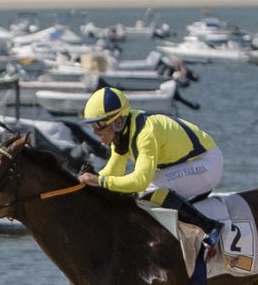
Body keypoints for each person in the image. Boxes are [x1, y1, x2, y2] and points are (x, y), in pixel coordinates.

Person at [76, 87, 224, 257]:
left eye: (98, 125)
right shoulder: (123, 133)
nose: (95, 132)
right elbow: (113, 171)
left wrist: (99, 181)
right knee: (142, 190)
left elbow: (140, 181)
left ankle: (210, 227)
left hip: (206, 163)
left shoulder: (145, 134)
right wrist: (86, 182)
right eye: (93, 126)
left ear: (117, 122)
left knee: (147, 189)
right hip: (191, 163)